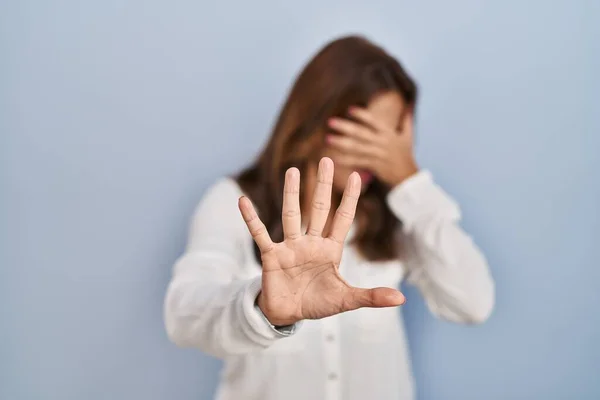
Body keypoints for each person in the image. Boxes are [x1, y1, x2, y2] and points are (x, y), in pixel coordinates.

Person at [164, 35, 495, 400]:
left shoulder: (396, 214)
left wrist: (410, 182)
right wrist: (262, 308)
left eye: (395, 139)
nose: (378, 156)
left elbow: (473, 302)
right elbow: (184, 314)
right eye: (369, 135)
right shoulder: (233, 202)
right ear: (320, 118)